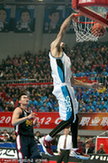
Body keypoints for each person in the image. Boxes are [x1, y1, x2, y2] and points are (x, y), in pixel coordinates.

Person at [40, 13, 100, 160]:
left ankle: (74, 148)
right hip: (62, 87)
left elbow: (73, 81)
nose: (61, 42)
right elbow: (62, 30)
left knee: (75, 118)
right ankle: (46, 139)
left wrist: (90, 86)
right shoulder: (54, 49)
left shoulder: (66, 59)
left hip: (68, 87)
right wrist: (70, 17)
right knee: (70, 117)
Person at [12, 92, 42, 163]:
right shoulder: (18, 110)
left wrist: (34, 123)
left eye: (27, 97)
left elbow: (27, 124)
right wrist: (27, 117)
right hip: (22, 138)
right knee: (23, 160)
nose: (27, 99)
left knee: (37, 157)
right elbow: (13, 122)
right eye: (24, 98)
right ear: (20, 101)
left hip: (31, 138)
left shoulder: (30, 111)